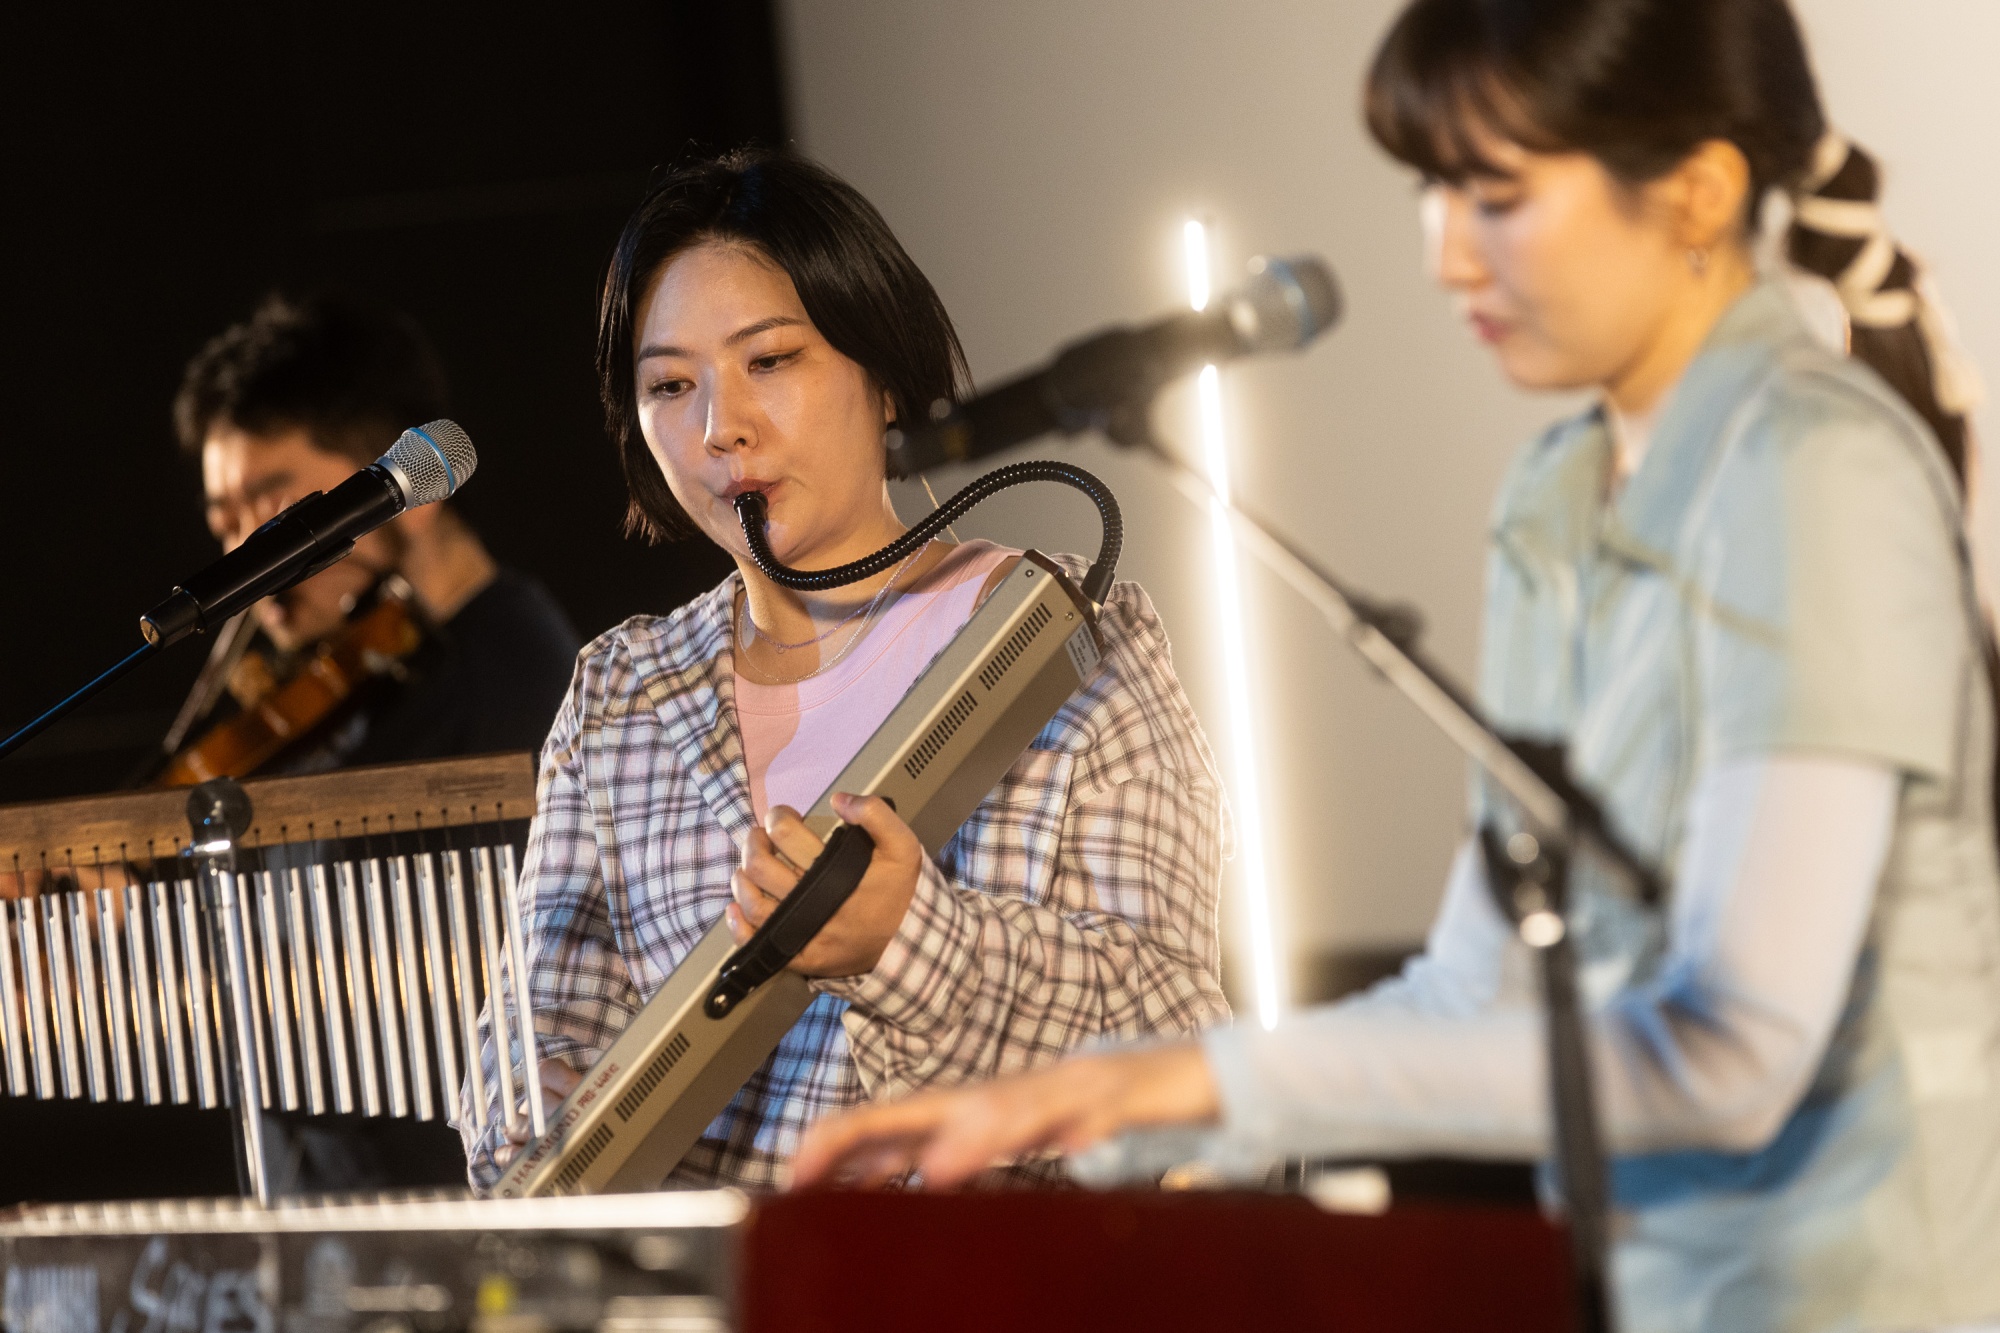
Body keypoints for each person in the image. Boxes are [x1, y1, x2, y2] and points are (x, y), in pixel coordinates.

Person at [791, 2, 2000, 1327]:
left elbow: (1731, 1052)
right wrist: (1095, 1092)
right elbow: (1471, 994)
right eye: (1430, 190)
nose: (1443, 254)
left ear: (1698, 191)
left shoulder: (1816, 472)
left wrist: (1189, 1083)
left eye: (1495, 196)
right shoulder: (1556, 494)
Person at [456, 150, 1231, 1190]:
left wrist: (908, 944)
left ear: (885, 373)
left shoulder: (1060, 639)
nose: (719, 426)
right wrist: (536, 1105)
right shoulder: (624, 690)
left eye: (770, 360)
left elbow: (1175, 1044)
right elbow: (531, 1037)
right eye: (671, 384)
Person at [171, 293, 582, 776]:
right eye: (225, 525)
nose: (244, 555)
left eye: (275, 513)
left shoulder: (509, 690)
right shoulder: (362, 688)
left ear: (409, 483)